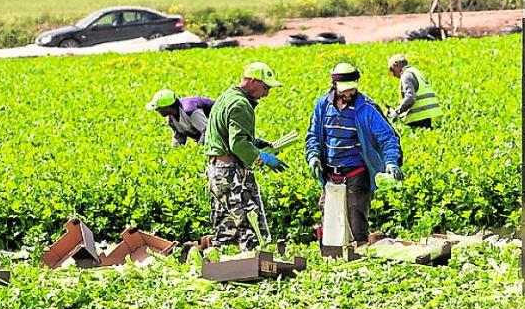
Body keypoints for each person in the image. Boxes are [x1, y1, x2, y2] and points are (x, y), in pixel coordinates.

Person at [305, 62, 403, 245]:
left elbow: (387, 137)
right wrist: (313, 156)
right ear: (334, 85)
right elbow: (313, 136)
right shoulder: (323, 106)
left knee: (356, 220)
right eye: (345, 90)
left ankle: (360, 253)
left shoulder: (366, 108)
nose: (349, 93)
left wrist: (391, 161)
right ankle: (331, 260)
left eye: (352, 89)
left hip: (357, 173)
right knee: (330, 223)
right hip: (330, 174)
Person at [202, 62, 286, 250]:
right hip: (231, 172)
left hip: (217, 170)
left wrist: (255, 142)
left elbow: (226, 134)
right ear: (252, 81)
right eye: (265, 87)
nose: (266, 93)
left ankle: (221, 266)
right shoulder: (241, 105)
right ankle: (256, 267)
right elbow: (238, 144)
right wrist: (262, 158)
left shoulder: (226, 97)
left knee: (226, 224)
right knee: (250, 222)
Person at [387, 54, 442, 129]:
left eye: (391, 69)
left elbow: (410, 98)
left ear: (396, 66)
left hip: (417, 118)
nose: (393, 74)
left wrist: (396, 112)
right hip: (426, 116)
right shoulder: (415, 72)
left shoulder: (406, 75)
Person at [145, 89, 214, 147]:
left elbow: (208, 131)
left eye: (158, 108)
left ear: (167, 108)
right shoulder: (171, 119)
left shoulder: (190, 110)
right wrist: (173, 153)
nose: (156, 110)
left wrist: (200, 148)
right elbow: (179, 136)